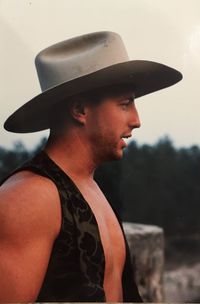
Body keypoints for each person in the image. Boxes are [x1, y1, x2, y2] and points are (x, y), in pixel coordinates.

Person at [0, 31, 182, 302]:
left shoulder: (90, 186)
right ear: (80, 110)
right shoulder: (29, 198)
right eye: (125, 103)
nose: (136, 119)